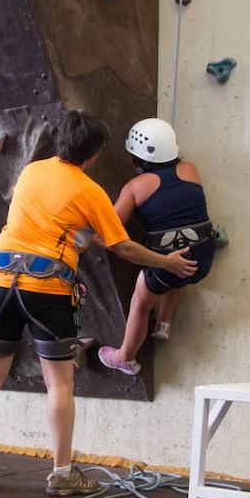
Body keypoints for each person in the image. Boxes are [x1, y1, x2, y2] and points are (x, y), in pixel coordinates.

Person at [0, 110, 197, 495]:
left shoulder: (32, 170)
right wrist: (166, 261)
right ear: (95, 153)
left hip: (0, 279)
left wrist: (84, 237)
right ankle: (62, 473)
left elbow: (67, 225)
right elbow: (122, 247)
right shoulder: (90, 192)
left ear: (60, 140)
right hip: (47, 289)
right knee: (59, 383)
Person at [96, 118, 215, 375]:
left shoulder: (134, 188)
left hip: (166, 264)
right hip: (204, 256)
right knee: (182, 262)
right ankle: (164, 323)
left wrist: (81, 232)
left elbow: (110, 232)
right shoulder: (190, 169)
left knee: (140, 301)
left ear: (136, 158)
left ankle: (125, 357)